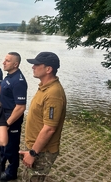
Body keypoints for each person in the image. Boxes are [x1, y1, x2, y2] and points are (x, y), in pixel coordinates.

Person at [19, 52, 66, 182]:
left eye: (37, 64)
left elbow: (49, 128)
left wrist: (33, 153)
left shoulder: (53, 94)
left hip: (41, 151)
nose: (33, 67)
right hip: (36, 148)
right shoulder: (45, 88)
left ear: (48, 69)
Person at [0, 52, 28, 181]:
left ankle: (11, 172)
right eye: (4, 60)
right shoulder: (9, 77)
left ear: (15, 64)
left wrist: (7, 123)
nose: (3, 63)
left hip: (12, 117)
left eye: (7, 61)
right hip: (3, 114)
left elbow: (21, 107)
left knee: (11, 146)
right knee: (2, 144)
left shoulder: (19, 81)